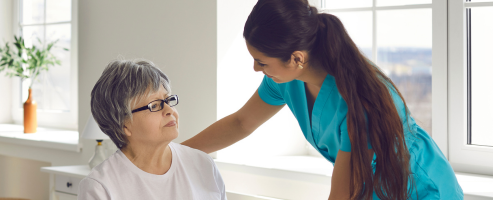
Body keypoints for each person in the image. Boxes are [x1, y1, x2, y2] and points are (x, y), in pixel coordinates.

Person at [181, 0, 463, 199]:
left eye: (261, 61)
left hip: (421, 190)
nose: (256, 68)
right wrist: (174, 154)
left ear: (296, 59)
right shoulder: (285, 80)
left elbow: (341, 194)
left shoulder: (360, 101)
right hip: (371, 188)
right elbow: (241, 123)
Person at [78, 59, 226, 200]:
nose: (169, 110)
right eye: (154, 105)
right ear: (124, 125)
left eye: (168, 100)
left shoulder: (203, 165)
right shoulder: (100, 187)